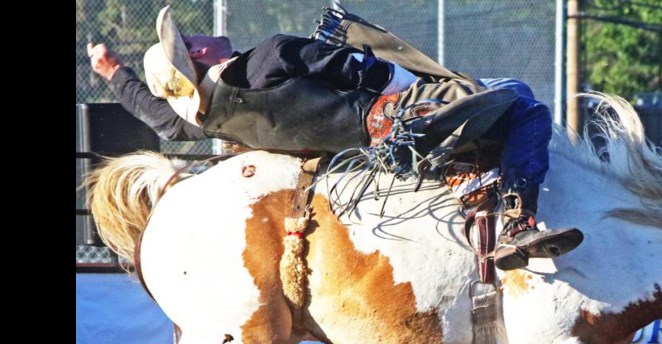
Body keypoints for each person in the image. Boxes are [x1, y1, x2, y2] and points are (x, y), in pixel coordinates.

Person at [88, 6, 582, 271]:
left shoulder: (212, 119)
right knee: (521, 100)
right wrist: (433, 89)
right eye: (189, 45)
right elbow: (366, 72)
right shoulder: (269, 55)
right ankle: (518, 222)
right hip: (398, 121)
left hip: (359, 163)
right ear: (196, 55)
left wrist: (115, 73)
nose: (202, 38)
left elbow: (167, 123)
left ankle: (464, 177)